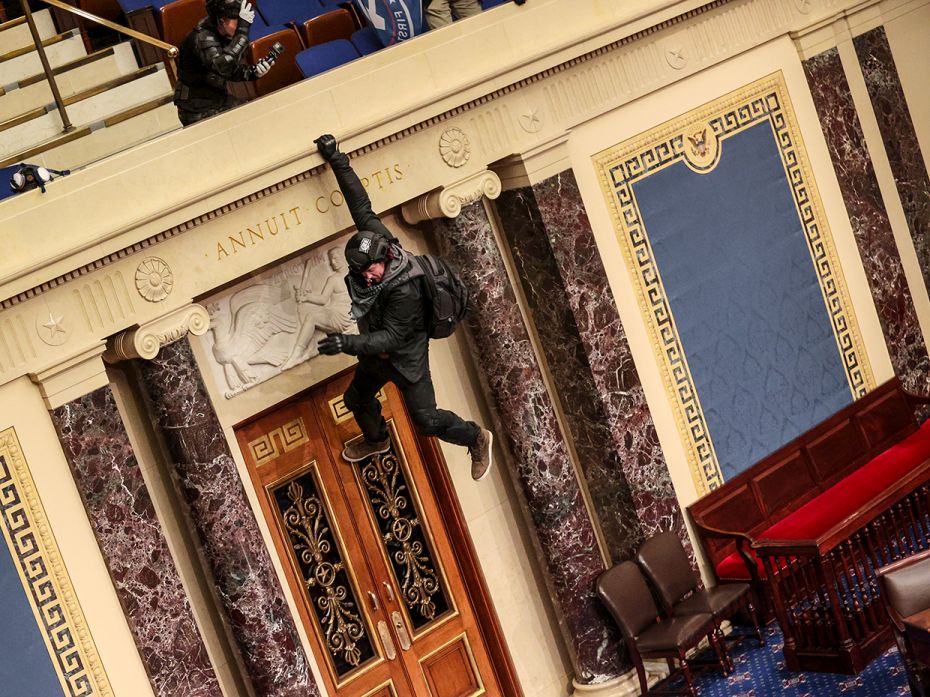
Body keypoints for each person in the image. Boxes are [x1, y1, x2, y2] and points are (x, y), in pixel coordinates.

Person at [313, 133, 494, 481]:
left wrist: (345, 343)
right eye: (360, 272)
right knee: (356, 400)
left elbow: (390, 338)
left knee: (426, 421)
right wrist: (337, 160)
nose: (367, 277)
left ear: (385, 258)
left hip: (405, 357)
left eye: (371, 270)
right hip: (376, 356)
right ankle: (377, 440)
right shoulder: (378, 239)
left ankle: (475, 436)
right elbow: (360, 205)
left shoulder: (404, 290)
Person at [173, 0, 276, 126]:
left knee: (255, 117)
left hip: (218, 99)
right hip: (195, 108)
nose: (240, 27)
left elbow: (229, 70)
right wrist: (242, 32)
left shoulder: (223, 34)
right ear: (222, 20)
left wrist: (253, 72)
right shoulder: (202, 37)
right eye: (238, 23)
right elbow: (223, 66)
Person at [280, 247, 354, 370]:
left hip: (342, 317)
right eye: (331, 260)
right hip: (338, 314)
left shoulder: (346, 277)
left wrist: (306, 297)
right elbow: (323, 299)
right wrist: (306, 297)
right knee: (309, 312)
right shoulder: (336, 278)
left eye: (335, 258)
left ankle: (297, 354)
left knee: (312, 317)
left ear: (344, 257)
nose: (333, 262)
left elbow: (323, 300)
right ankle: (307, 347)